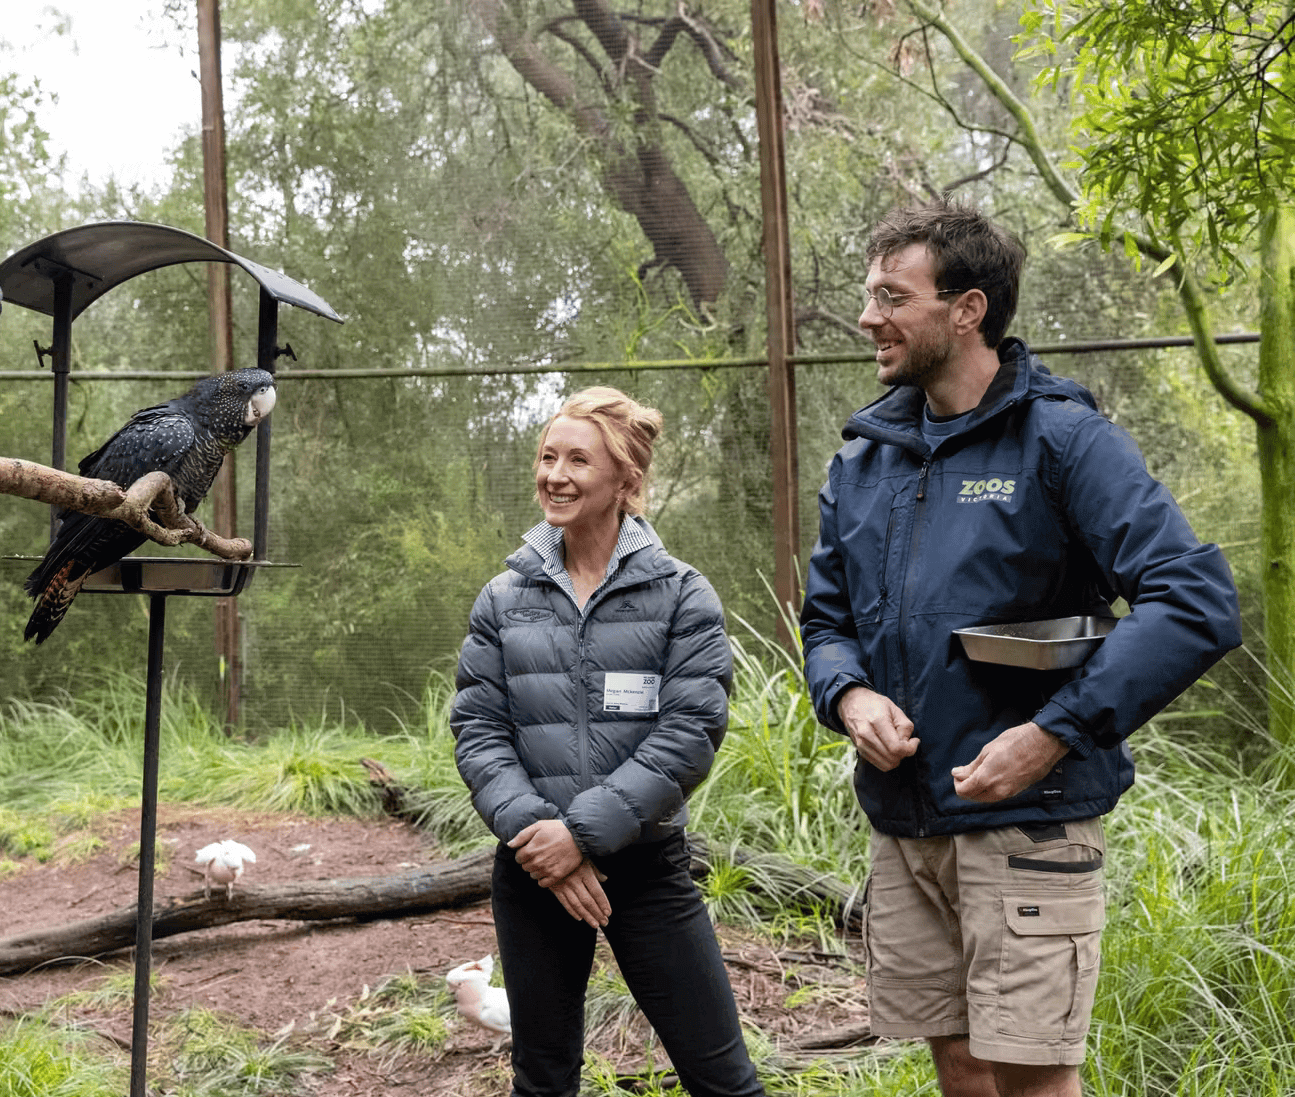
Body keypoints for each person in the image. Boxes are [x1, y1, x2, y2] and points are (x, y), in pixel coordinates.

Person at [800, 203, 1241, 1097]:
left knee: (1033, 1078)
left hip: (1028, 823)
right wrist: (848, 695)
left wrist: (1052, 733)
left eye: (893, 296)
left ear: (967, 309)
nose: (867, 316)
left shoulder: (1063, 439)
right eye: (868, 294)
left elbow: (1193, 600)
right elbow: (825, 620)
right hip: (906, 822)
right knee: (958, 1065)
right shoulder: (865, 460)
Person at [452, 387, 767, 1097]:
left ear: (626, 481)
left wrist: (581, 835)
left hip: (646, 868)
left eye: (577, 460)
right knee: (542, 1081)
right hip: (533, 869)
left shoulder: (682, 595)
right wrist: (543, 839)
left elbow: (690, 732)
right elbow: (478, 729)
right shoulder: (503, 598)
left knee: (723, 1079)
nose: (554, 475)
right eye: (547, 457)